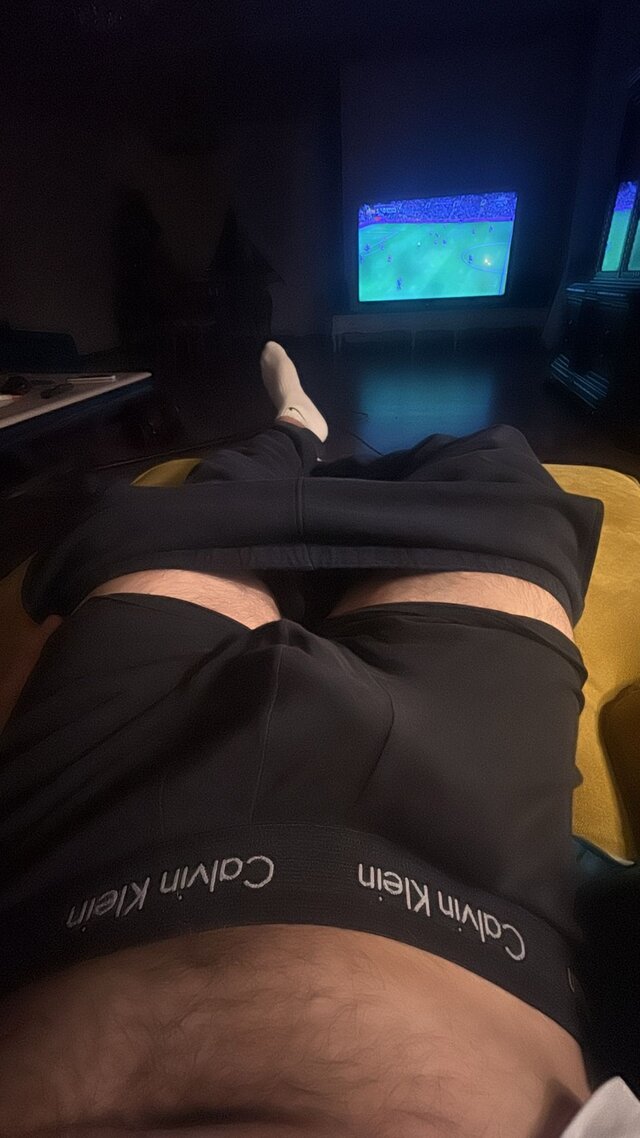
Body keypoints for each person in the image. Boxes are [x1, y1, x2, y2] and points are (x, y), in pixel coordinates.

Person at [0, 343, 637, 1137]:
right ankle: (300, 432)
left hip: (90, 841)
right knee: (501, 486)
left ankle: (292, 435)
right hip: (466, 870)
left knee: (177, 525)